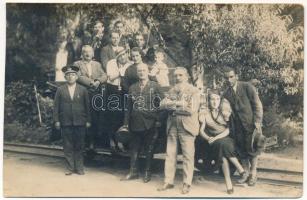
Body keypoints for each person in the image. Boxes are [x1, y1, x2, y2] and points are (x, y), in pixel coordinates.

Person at [157, 67, 200, 194]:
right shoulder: (172, 90)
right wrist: (179, 103)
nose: (177, 78)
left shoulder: (194, 91)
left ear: (186, 76)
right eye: (176, 76)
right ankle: (168, 181)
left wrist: (172, 106)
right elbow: (162, 104)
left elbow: (191, 109)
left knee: (188, 156)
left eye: (180, 75)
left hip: (187, 127)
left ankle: (187, 183)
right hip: (172, 126)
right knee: (170, 154)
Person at [120, 63, 163, 183]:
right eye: (139, 71)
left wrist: (158, 120)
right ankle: (133, 172)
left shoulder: (155, 86)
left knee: (149, 149)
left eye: (144, 70)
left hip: (150, 122)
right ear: (137, 73)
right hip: (135, 122)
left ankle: (147, 172)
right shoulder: (132, 87)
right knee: (134, 148)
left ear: (148, 71)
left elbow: (163, 105)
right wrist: (126, 123)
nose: (141, 72)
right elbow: (128, 107)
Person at [199, 89, 247, 194]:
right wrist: (208, 138)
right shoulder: (205, 113)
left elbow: (228, 130)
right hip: (214, 142)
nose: (215, 102)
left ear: (220, 100)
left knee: (222, 145)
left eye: (217, 99)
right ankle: (241, 171)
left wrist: (215, 138)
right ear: (209, 100)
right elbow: (201, 130)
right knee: (222, 151)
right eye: (212, 99)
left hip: (226, 139)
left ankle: (229, 183)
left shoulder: (224, 112)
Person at [222, 67, 263, 186]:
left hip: (251, 124)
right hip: (237, 127)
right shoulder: (226, 93)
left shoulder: (246, 87)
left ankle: (253, 174)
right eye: (226, 78)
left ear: (236, 76)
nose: (229, 80)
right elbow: (226, 110)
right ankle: (246, 173)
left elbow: (257, 105)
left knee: (252, 149)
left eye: (231, 77)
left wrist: (257, 121)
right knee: (241, 150)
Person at [53, 65, 91, 175]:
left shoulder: (83, 90)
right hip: (66, 122)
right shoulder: (60, 90)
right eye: (68, 75)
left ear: (76, 77)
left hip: (80, 121)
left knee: (80, 145)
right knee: (68, 145)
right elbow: (56, 106)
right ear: (65, 77)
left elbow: (87, 106)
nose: (70, 77)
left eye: (73, 75)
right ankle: (70, 167)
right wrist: (56, 120)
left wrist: (88, 120)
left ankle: (79, 168)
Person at [74, 45, 108, 149]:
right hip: (83, 93)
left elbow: (105, 75)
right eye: (85, 52)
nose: (87, 54)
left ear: (93, 54)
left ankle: (94, 141)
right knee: (84, 117)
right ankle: (84, 141)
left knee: (95, 117)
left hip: (96, 94)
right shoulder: (77, 64)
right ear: (82, 54)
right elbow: (78, 76)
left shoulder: (97, 64)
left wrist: (98, 81)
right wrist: (91, 83)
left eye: (89, 52)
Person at [105, 49, 132, 151]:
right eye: (120, 56)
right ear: (116, 57)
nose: (122, 57)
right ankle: (111, 139)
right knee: (112, 114)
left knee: (123, 115)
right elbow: (111, 77)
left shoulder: (130, 64)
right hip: (112, 89)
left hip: (124, 90)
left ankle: (120, 140)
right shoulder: (111, 63)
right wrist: (121, 71)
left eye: (124, 55)